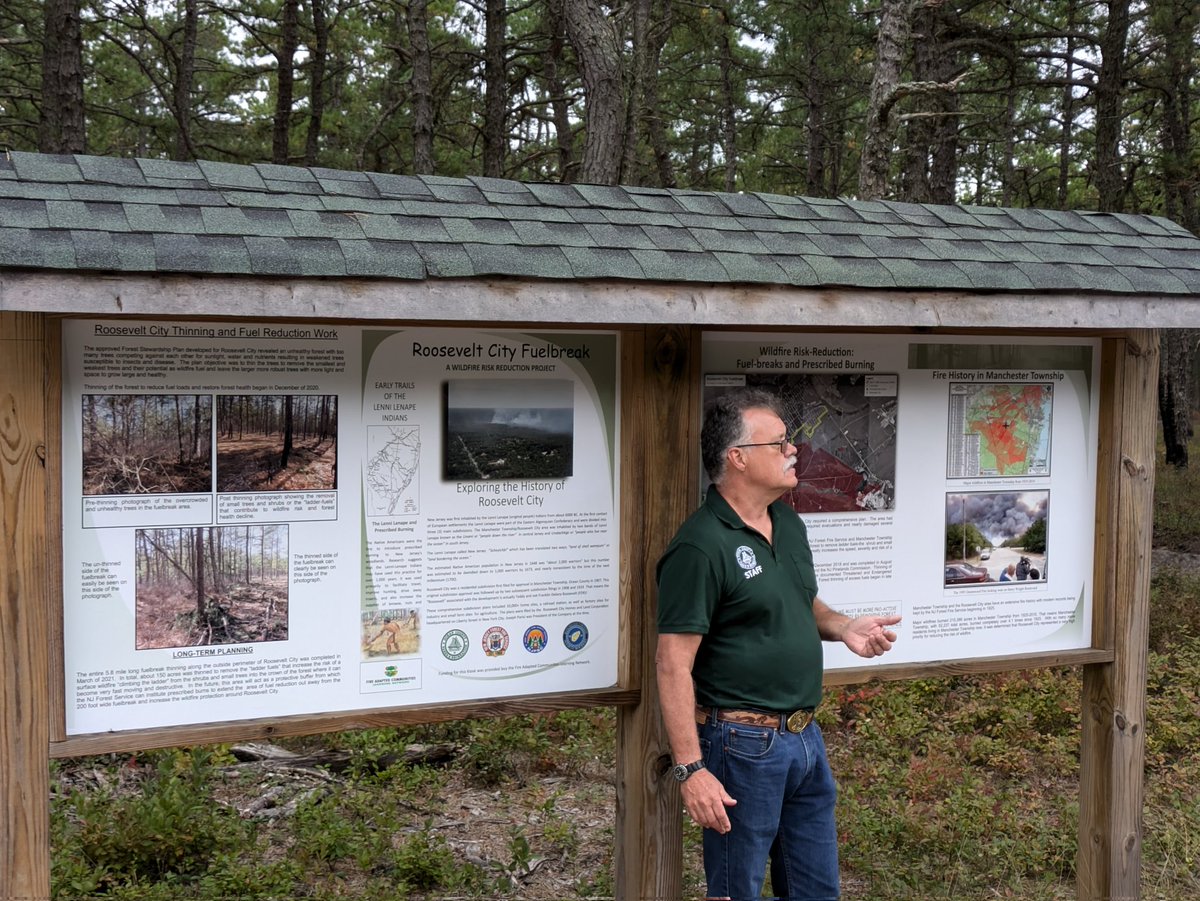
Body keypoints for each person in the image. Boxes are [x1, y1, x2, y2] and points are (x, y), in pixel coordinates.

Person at [656, 388, 901, 901]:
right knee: (734, 892)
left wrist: (842, 626)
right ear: (738, 458)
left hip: (805, 739)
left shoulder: (787, 522)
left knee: (816, 891)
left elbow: (802, 601)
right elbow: (672, 664)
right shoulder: (700, 547)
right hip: (739, 748)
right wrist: (691, 770)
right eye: (781, 443)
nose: (794, 451)